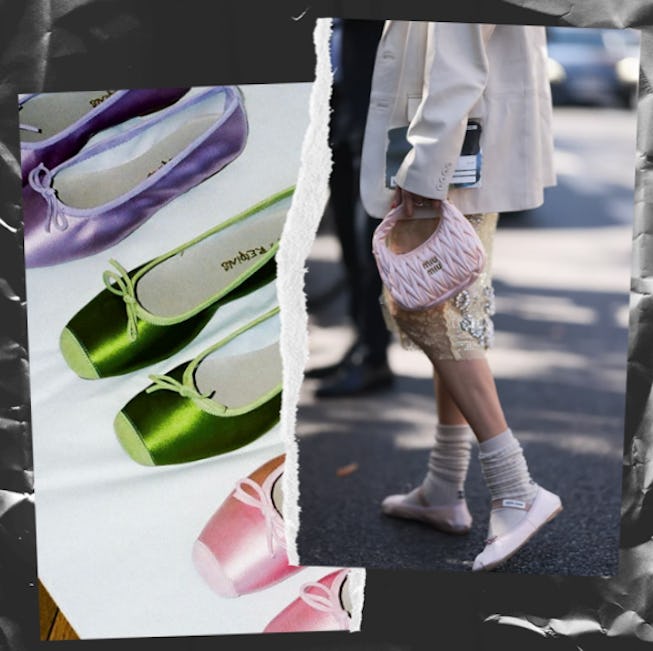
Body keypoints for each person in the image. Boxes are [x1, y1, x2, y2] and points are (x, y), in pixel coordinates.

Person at [360, 21, 561, 570]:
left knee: (426, 308)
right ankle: (444, 488)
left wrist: (426, 167)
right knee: (445, 304)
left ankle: (515, 489)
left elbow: (459, 57)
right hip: (462, 141)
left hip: (452, 148)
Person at [306, 18, 394, 398]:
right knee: (347, 235)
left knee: (368, 245)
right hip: (335, 107)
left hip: (372, 108)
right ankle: (360, 345)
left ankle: (374, 357)